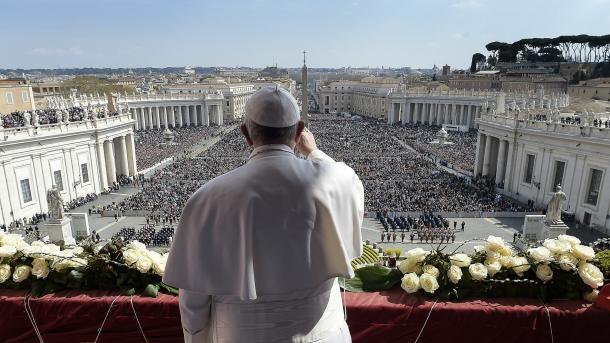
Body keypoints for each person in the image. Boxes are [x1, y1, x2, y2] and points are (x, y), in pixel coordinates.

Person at [164, 87, 364, 343]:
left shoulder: (207, 198)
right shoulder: (337, 180)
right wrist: (313, 152)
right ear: (300, 130)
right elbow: (341, 177)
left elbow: (193, 299)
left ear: (245, 134)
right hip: (323, 334)